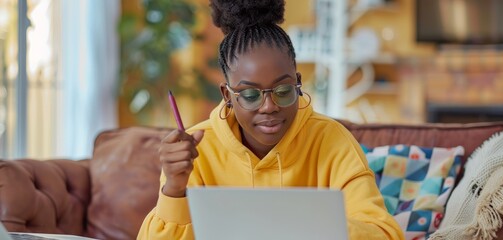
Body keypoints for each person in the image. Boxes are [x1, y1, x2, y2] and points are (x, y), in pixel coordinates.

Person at [137, 0, 403, 239]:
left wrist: (311, 226)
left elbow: (383, 234)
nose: (269, 106)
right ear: (227, 95)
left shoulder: (332, 140)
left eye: (283, 91)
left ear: (298, 84)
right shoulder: (196, 150)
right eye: (250, 95)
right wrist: (174, 188)